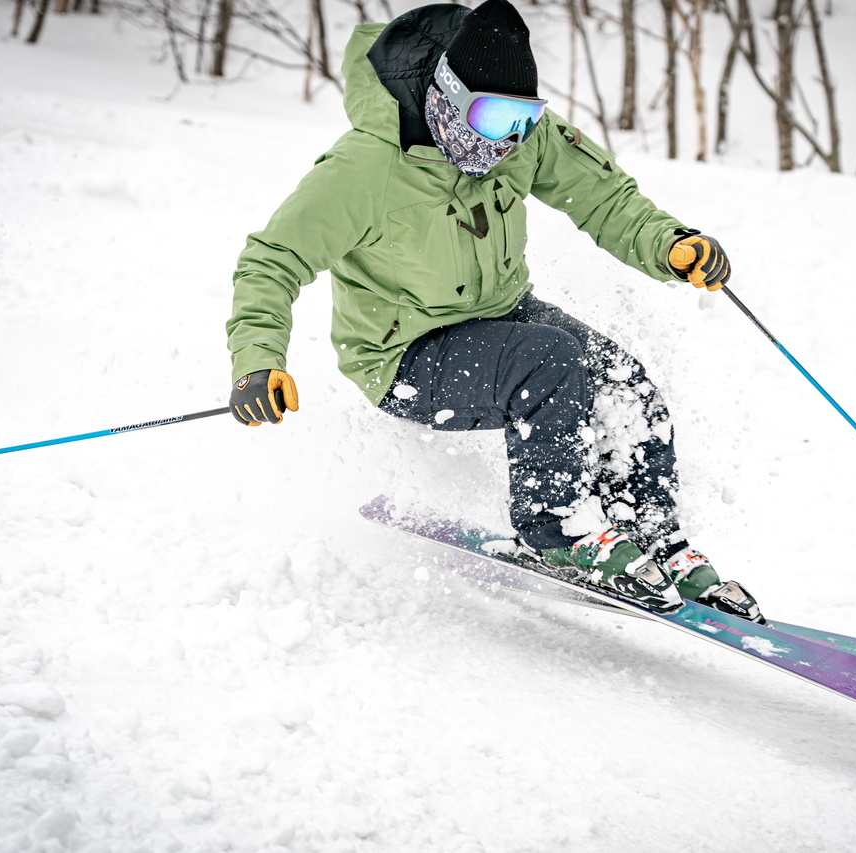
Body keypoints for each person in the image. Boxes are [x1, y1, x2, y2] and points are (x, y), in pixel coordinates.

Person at [225, 0, 763, 620]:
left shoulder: (520, 139)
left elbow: (603, 197)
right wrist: (256, 361)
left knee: (621, 376)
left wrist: (669, 244)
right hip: (403, 356)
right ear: (448, 96)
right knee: (553, 361)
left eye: (522, 117)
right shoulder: (365, 168)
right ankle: (559, 532)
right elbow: (272, 260)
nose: (506, 135)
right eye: (491, 114)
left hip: (502, 319)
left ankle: (654, 537)